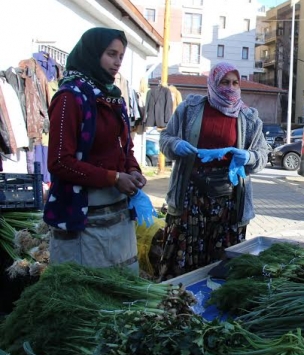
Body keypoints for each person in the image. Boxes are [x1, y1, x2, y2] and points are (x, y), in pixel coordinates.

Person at [44, 28, 147, 272]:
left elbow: (124, 147)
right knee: (88, 291)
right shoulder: (70, 98)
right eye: (111, 54)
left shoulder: (113, 98)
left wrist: (132, 169)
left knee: (120, 289)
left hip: (117, 212)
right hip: (82, 216)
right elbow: (59, 161)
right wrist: (113, 177)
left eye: (121, 56)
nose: (117, 62)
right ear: (92, 53)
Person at [157, 62, 269, 280]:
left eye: (235, 83)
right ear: (213, 83)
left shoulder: (249, 118)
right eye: (224, 82)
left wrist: (249, 157)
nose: (230, 87)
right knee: (185, 257)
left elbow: (262, 155)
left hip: (229, 200)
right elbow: (165, 138)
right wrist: (175, 145)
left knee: (222, 263)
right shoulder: (190, 108)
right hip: (191, 196)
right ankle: (181, 302)